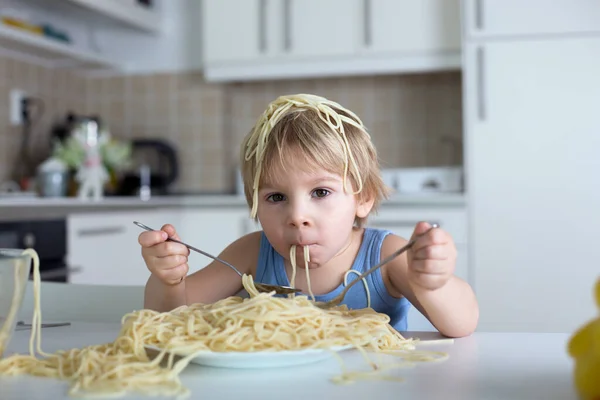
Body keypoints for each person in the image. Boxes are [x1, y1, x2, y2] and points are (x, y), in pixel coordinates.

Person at [138, 94, 479, 338]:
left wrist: (433, 283)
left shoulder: (385, 255)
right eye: (276, 197)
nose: (297, 216)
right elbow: (169, 317)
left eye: (320, 192)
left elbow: (462, 323)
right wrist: (169, 281)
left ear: (363, 197)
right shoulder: (252, 254)